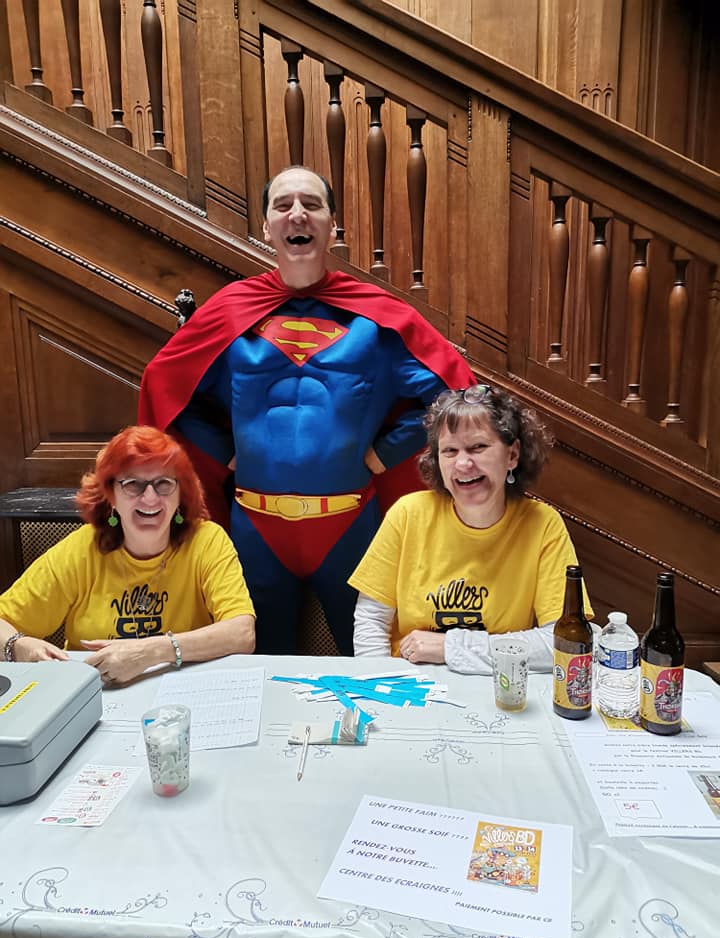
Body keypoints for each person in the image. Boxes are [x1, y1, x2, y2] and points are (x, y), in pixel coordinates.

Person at [138, 165, 473, 656]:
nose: (297, 213)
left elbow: (453, 393)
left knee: (373, 665)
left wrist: (386, 452)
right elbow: (166, 387)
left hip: (349, 524)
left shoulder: (376, 317)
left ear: (332, 226)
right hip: (256, 525)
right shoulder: (231, 311)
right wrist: (224, 450)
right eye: (283, 205)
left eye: (312, 204)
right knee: (255, 668)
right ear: (267, 226)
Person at [349, 384, 592, 672]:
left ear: (512, 455)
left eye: (478, 447)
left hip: (498, 686)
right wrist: (380, 683)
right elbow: (371, 620)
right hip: (410, 684)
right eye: (450, 451)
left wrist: (451, 648)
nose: (463, 463)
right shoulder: (408, 514)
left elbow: (564, 642)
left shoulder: (543, 524)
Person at [0, 426, 255, 682]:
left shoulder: (207, 540)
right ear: (111, 495)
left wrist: (150, 652)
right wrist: (18, 646)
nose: (150, 498)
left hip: (184, 692)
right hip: (96, 692)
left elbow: (242, 633)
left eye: (164, 484)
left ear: (180, 494)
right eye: (133, 484)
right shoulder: (81, 549)